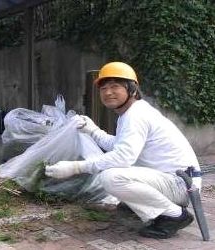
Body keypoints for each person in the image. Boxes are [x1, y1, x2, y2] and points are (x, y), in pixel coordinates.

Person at [45, 62, 201, 239]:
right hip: (175, 180)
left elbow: (123, 157)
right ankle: (146, 205)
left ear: (132, 90)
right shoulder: (129, 114)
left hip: (182, 185)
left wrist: (75, 167)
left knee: (111, 177)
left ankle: (174, 215)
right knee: (116, 176)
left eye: (115, 86)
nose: (108, 92)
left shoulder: (136, 115)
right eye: (103, 88)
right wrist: (93, 131)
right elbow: (119, 145)